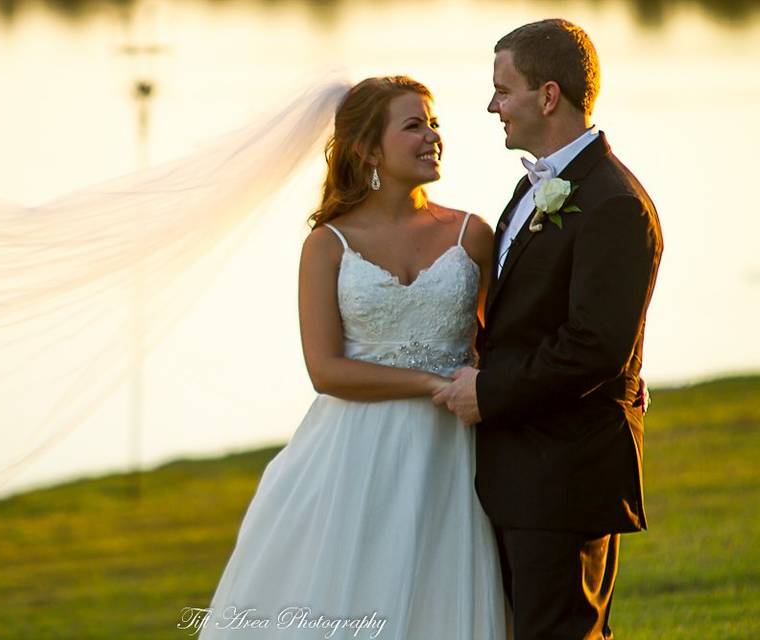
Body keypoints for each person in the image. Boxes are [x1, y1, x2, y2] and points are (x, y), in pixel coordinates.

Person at [192, 77, 506, 639]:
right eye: (414, 125)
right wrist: (430, 384)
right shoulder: (327, 245)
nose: (433, 137)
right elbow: (326, 370)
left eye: (434, 124)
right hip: (352, 455)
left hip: (452, 451)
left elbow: (497, 344)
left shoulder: (472, 234)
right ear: (367, 148)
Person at [435, 19, 664, 640]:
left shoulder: (614, 203)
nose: (492, 105)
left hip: (565, 476)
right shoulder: (534, 187)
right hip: (520, 472)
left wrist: (488, 393)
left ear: (548, 95)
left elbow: (596, 348)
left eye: (502, 90)